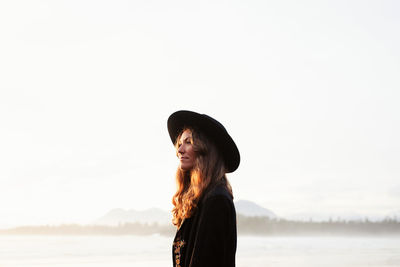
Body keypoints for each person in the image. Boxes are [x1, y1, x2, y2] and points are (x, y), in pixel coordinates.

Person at [167, 110, 240, 267]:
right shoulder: (199, 200)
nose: (179, 150)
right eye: (180, 144)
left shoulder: (216, 200)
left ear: (205, 149)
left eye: (188, 142)